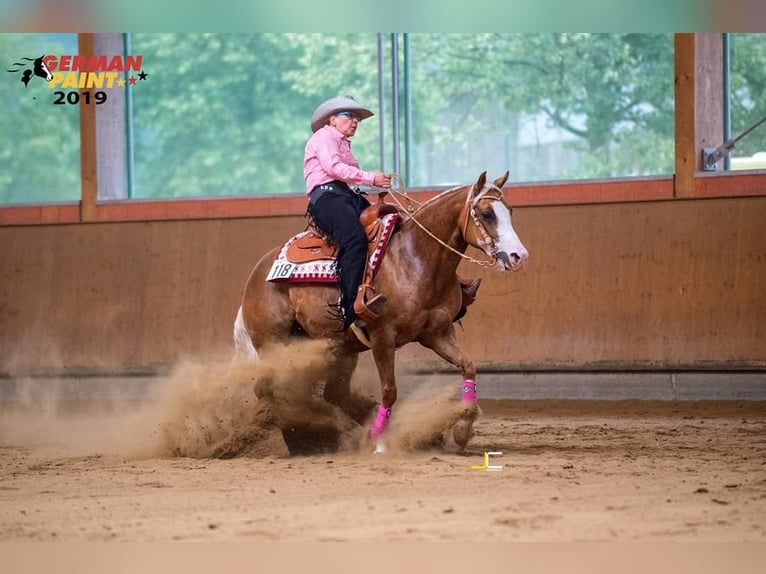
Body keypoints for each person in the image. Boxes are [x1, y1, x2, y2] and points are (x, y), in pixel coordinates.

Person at [304, 95, 391, 336]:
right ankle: (352, 309)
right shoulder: (324, 137)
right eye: (349, 116)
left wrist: (372, 196)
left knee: (391, 225)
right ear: (332, 119)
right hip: (327, 197)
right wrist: (373, 178)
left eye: (357, 118)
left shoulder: (343, 144)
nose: (355, 121)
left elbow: (349, 179)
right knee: (355, 240)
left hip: (345, 196)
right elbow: (334, 169)